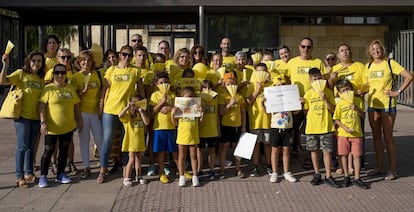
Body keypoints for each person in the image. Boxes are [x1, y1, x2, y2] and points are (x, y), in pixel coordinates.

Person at [364, 39, 413, 180]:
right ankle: (380, 167)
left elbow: (409, 76)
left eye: (378, 49)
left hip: (387, 106)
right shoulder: (368, 66)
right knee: (376, 138)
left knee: (388, 137)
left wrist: (398, 91)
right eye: (373, 50)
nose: (376, 51)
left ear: (382, 50)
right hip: (373, 105)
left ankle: (392, 170)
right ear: (370, 52)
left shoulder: (390, 63)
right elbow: (367, 85)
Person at [97, 45, 143, 184]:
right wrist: (100, 105)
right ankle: (103, 169)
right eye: (124, 54)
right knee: (107, 140)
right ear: (119, 54)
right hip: (110, 109)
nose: (127, 57)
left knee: (126, 141)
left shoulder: (135, 71)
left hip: (127, 110)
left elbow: (140, 91)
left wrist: (140, 106)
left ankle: (126, 168)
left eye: (130, 55)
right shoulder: (111, 70)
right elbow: (104, 89)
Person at [0, 51, 46, 188]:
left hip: (36, 117)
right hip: (22, 117)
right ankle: (19, 176)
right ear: (29, 61)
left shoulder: (41, 78)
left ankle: (29, 173)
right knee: (22, 146)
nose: (36, 63)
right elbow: (2, 81)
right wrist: (5, 65)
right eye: (34, 60)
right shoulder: (21, 73)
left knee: (31, 147)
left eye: (39, 61)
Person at [38, 64, 82, 188]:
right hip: (51, 128)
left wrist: (80, 121)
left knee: (64, 151)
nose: (60, 75)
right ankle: (43, 176)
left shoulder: (70, 88)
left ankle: (61, 174)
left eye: (63, 73)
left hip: (67, 127)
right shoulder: (48, 88)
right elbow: (42, 106)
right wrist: (43, 122)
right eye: (57, 72)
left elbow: (76, 106)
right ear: (53, 74)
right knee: (48, 151)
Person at [328, 43, 366, 174]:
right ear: (338, 55)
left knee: (357, 135)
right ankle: (340, 164)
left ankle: (358, 162)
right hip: (340, 107)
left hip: (355, 106)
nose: (345, 52)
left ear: (351, 52)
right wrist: (331, 79)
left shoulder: (360, 66)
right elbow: (329, 87)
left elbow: (367, 84)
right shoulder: (334, 68)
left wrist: (363, 91)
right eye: (342, 50)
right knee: (340, 136)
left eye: (347, 50)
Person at [287, 37, 325, 162]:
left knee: (311, 130)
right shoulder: (292, 62)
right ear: (299, 47)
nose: (305, 49)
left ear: (312, 48)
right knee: (294, 128)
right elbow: (287, 80)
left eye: (308, 47)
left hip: (313, 102)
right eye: (303, 46)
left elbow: (323, 81)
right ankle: (294, 149)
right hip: (296, 102)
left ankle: (310, 157)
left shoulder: (318, 62)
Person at [302, 68, 339, 188]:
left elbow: (333, 110)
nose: (317, 81)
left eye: (319, 78)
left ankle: (328, 175)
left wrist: (325, 99)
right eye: (314, 79)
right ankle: (317, 173)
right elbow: (305, 111)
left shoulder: (328, 92)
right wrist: (302, 104)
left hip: (326, 127)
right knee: (313, 151)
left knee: (327, 152)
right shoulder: (308, 93)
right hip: (312, 128)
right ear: (310, 80)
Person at [69, 50, 103, 179]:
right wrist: (81, 93)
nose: (86, 62)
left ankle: (103, 165)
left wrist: (101, 107)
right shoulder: (75, 78)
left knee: (100, 139)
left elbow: (103, 91)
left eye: (88, 60)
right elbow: (72, 97)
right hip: (82, 113)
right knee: (84, 141)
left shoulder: (98, 74)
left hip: (96, 113)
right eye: (83, 60)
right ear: (79, 62)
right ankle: (86, 167)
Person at [333, 79, 368, 189]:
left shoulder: (358, 101)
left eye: (348, 89)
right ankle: (346, 176)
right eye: (343, 91)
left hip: (357, 133)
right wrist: (345, 128)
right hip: (343, 133)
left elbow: (363, 116)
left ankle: (357, 177)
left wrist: (356, 109)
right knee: (343, 154)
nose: (346, 92)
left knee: (357, 155)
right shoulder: (340, 104)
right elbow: (336, 119)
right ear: (339, 93)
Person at [150, 71, 181, 183]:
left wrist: (170, 107)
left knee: (175, 151)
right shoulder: (155, 95)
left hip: (171, 126)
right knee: (161, 151)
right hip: (159, 127)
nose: (164, 84)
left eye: (166, 82)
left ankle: (181, 171)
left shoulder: (173, 95)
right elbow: (152, 112)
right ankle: (161, 172)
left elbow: (178, 108)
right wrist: (161, 103)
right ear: (156, 84)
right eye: (161, 82)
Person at [264, 81, 297, 183]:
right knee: (274, 150)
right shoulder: (271, 99)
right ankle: (274, 173)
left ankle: (286, 172)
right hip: (275, 127)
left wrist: (301, 104)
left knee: (286, 150)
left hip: (287, 127)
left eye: (282, 85)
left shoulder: (290, 99)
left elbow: (296, 111)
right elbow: (267, 111)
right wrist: (262, 103)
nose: (280, 87)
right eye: (277, 85)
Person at [171, 86, 204, 187]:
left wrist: (202, 114)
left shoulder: (196, 108)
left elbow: (200, 123)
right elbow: (174, 124)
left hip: (193, 135)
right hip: (182, 135)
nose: (189, 100)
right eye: (187, 98)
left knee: (193, 156)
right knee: (182, 156)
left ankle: (195, 176)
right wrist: (172, 114)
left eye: (191, 97)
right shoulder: (179, 108)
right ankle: (181, 176)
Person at [218, 73, 247, 179]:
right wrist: (230, 104)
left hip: (237, 125)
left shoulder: (239, 96)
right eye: (228, 83)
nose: (231, 85)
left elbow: (243, 112)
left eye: (233, 83)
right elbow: (220, 112)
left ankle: (238, 169)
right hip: (226, 125)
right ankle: (222, 170)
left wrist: (243, 126)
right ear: (224, 84)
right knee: (224, 147)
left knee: (237, 148)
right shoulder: (223, 96)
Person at [245, 63, 272, 177]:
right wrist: (258, 89)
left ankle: (269, 165)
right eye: (259, 71)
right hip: (255, 120)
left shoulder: (272, 85)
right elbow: (249, 101)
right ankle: (255, 166)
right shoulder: (251, 85)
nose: (261, 74)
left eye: (264, 71)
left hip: (268, 120)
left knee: (267, 144)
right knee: (256, 144)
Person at [119, 94, 150, 186]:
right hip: (131, 142)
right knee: (131, 159)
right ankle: (127, 177)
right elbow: (120, 115)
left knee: (139, 159)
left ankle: (139, 176)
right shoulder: (128, 116)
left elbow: (147, 122)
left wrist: (141, 112)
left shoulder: (141, 115)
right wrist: (127, 107)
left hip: (140, 141)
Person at [198, 80, 219, 181]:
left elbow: (218, 115)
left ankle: (212, 170)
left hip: (212, 130)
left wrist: (218, 129)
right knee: (200, 151)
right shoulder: (199, 100)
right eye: (204, 88)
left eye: (209, 88)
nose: (207, 90)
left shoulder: (215, 99)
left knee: (212, 151)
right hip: (201, 130)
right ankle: (199, 169)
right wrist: (204, 108)